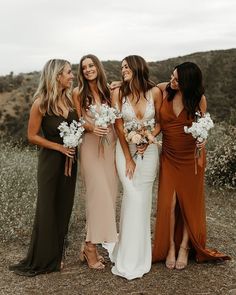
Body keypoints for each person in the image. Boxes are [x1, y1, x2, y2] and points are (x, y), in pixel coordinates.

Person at [152, 62, 230, 270]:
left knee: (188, 201)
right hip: (169, 155)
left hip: (190, 157)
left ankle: (185, 247)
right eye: (172, 76)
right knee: (169, 202)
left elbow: (202, 128)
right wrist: (116, 85)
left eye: (177, 79)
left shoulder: (199, 100)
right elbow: (143, 86)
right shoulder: (164, 89)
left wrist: (203, 140)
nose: (172, 81)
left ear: (188, 82)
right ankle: (170, 246)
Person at [9, 59, 78, 277]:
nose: (72, 75)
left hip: (70, 162)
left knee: (64, 206)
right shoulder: (41, 103)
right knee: (47, 208)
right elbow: (31, 136)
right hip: (50, 162)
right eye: (68, 72)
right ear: (57, 76)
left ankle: (57, 256)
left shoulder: (69, 100)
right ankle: (44, 258)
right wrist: (58, 146)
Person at [110, 55, 162, 280]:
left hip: (149, 151)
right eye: (121, 67)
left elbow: (160, 122)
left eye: (126, 66)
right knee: (132, 197)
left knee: (143, 201)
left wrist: (148, 138)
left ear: (137, 67)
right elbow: (119, 127)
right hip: (125, 152)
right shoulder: (118, 93)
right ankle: (127, 257)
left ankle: (140, 255)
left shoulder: (156, 93)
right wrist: (128, 157)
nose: (123, 70)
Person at [72, 54, 118, 269]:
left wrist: (122, 83)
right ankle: (90, 247)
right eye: (84, 68)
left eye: (91, 65)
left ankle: (90, 243)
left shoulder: (108, 91)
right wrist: (91, 127)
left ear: (98, 67)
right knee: (97, 195)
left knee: (108, 195)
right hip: (90, 147)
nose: (88, 69)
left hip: (110, 146)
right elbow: (79, 120)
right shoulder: (78, 93)